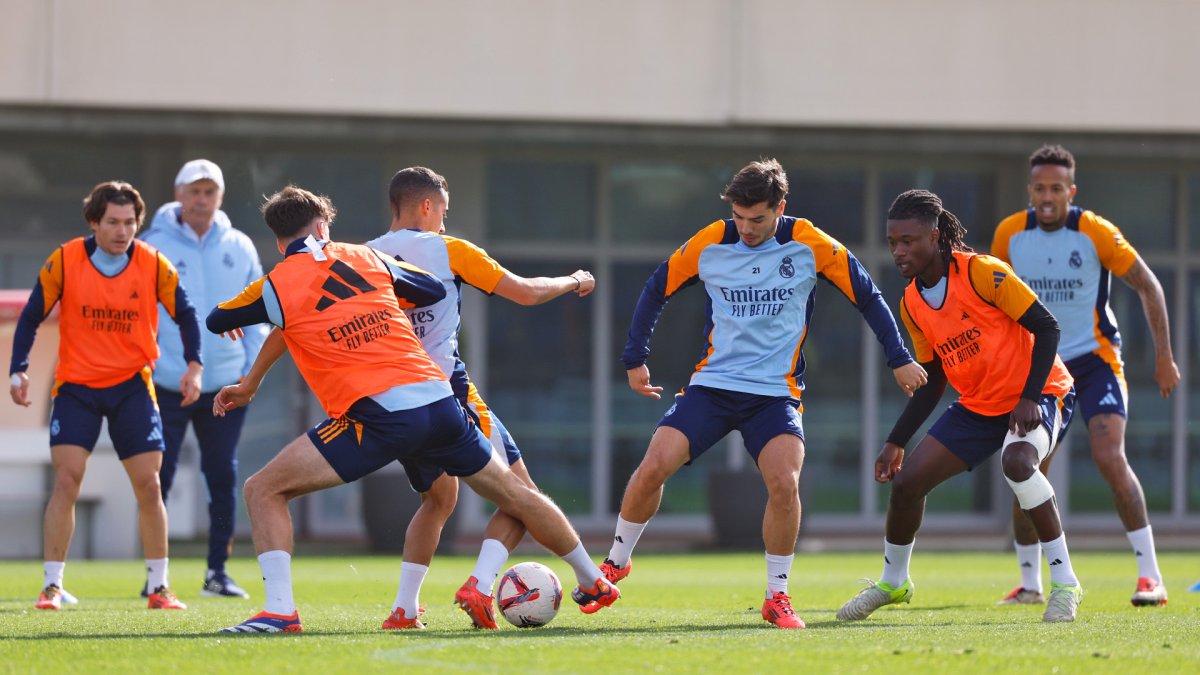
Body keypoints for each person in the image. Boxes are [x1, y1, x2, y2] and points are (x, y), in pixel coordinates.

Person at [206, 185, 617, 634]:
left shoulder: (279, 285)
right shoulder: (368, 258)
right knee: (514, 496)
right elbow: (425, 289)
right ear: (323, 226)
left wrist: (251, 373)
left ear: (278, 239)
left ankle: (281, 612)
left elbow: (219, 319)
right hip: (439, 400)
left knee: (262, 489)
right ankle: (593, 580)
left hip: (377, 415)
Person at [605, 159, 927, 629]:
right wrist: (635, 357)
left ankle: (777, 596)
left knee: (784, 483)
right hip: (712, 387)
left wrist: (898, 356)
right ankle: (614, 563)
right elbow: (657, 288)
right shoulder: (710, 242)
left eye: (757, 218)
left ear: (781, 207)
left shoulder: (809, 243)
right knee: (655, 465)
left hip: (775, 395)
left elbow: (867, 294)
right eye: (739, 216)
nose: (747, 228)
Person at [363, 166, 595, 629]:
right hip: (446, 392)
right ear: (427, 206)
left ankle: (405, 610)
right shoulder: (449, 250)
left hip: (392, 400)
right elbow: (526, 293)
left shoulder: (360, 257)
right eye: (443, 212)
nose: (444, 223)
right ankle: (489, 585)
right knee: (522, 496)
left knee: (439, 500)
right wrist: (574, 280)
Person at [836, 189, 1083, 624]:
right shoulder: (912, 302)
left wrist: (1028, 396)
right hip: (980, 405)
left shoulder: (983, 272)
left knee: (1018, 462)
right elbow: (932, 385)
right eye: (893, 242)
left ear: (935, 236)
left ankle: (1065, 584)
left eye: (908, 241)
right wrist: (896, 441)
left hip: (1043, 391)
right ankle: (894, 582)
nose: (898, 251)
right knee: (908, 483)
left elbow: (1047, 327)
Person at [991, 144, 1178, 608]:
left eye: (1057, 188)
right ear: (1029, 191)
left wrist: (1164, 357)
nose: (1048, 196)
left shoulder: (1094, 231)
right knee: (1025, 467)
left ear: (1071, 191)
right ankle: (1031, 583)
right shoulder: (1010, 235)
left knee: (1109, 456)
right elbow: (993, 306)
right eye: (1039, 188)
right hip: (1042, 368)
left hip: (1096, 362)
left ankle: (1150, 577)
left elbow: (1148, 284)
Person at [9, 181, 201, 611]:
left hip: (132, 386)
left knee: (150, 485)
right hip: (77, 387)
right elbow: (32, 315)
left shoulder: (152, 264)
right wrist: (18, 368)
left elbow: (185, 313)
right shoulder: (65, 259)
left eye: (130, 223)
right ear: (94, 222)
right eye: (112, 222)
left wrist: (194, 365)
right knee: (66, 479)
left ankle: (159, 587)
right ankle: (52, 586)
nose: (121, 230)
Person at [140, 159, 268, 599]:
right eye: (194, 191)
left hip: (226, 385)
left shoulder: (241, 246)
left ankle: (217, 572)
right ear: (179, 195)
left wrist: (251, 372)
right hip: (166, 381)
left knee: (221, 477)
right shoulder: (151, 244)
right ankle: (156, 577)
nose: (201, 199)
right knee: (159, 478)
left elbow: (258, 317)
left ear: (220, 197)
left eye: (209, 191)